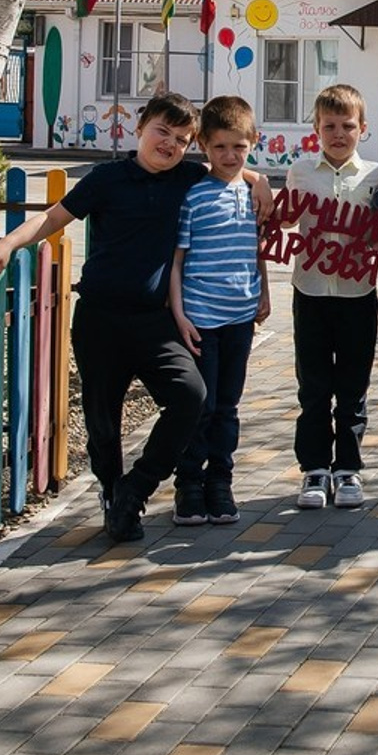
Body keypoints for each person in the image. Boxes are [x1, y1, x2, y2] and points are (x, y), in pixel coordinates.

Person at [0, 91, 270, 542]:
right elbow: (52, 218)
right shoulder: (106, 179)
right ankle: (113, 498)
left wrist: (258, 179)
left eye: (182, 138)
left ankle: (137, 488)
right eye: (163, 131)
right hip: (100, 321)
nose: (170, 144)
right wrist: (10, 243)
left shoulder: (185, 177)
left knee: (191, 396)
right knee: (103, 422)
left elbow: (232, 161)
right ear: (140, 126)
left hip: (153, 323)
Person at [285, 84, 378, 511]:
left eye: (348, 125)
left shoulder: (377, 175)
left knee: (353, 386)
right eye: (330, 126)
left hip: (357, 294)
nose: (339, 134)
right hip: (309, 291)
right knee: (312, 385)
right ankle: (314, 468)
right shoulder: (301, 171)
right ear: (316, 129)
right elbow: (285, 217)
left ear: (362, 128)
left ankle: (348, 467)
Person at [169, 96, 270, 527]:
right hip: (200, 320)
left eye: (239, 148)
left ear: (253, 143)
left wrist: (264, 290)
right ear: (203, 146)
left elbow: (257, 248)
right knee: (201, 406)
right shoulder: (193, 197)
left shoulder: (253, 194)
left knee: (228, 405)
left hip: (240, 318)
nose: (230, 157)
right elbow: (176, 261)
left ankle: (220, 482)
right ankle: (188, 485)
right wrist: (180, 314)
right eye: (220, 148)